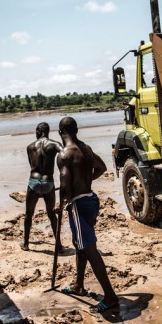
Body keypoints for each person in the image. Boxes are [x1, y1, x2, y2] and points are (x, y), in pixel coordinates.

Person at [56, 116, 119, 313]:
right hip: (91, 199)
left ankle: (110, 297)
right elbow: (101, 168)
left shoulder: (64, 154)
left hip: (78, 204)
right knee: (80, 245)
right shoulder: (86, 149)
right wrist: (85, 181)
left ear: (60, 133)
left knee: (90, 249)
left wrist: (60, 204)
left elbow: (65, 185)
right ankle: (78, 285)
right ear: (76, 130)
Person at [23, 122, 64, 253]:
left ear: (38, 131)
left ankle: (26, 244)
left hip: (33, 182)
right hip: (48, 182)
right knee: (52, 215)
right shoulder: (54, 144)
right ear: (47, 131)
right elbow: (64, 152)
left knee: (29, 214)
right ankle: (58, 246)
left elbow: (31, 165)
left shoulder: (30, 146)